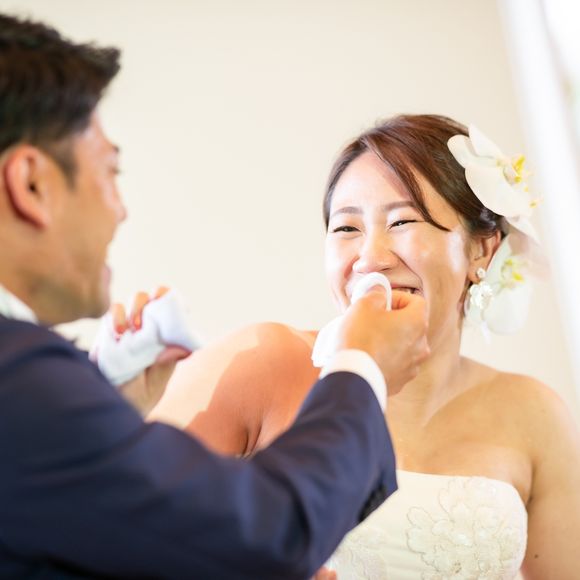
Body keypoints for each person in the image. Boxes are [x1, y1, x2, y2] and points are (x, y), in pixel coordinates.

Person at [0, 14, 431, 579]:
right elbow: (266, 531)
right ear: (31, 184)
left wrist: (105, 406)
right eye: (109, 172)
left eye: (404, 222)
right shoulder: (18, 378)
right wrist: (362, 367)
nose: (120, 210)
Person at [151, 114, 580, 579]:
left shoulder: (534, 414)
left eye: (402, 221)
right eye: (346, 229)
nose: (370, 258)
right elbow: (120, 525)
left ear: (483, 250)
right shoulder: (260, 361)